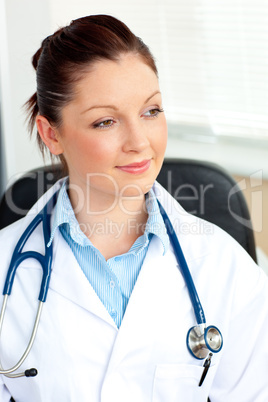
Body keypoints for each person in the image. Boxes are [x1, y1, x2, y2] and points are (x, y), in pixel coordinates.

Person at [0, 14, 267, 402]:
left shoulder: (223, 266)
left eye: (151, 111)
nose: (139, 141)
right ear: (51, 134)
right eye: (106, 121)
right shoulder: (6, 268)